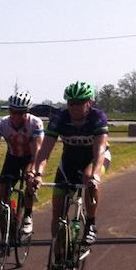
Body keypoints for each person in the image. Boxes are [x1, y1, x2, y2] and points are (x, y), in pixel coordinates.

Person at [29, 81, 110, 246]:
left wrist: (95, 175)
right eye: (71, 103)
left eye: (80, 102)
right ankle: (57, 256)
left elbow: (100, 148)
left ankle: (90, 224)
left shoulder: (97, 117)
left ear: (90, 102)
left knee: (88, 179)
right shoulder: (60, 118)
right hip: (70, 159)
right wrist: (38, 174)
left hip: (95, 157)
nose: (75, 107)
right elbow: (44, 151)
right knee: (57, 213)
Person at [0, 91, 43, 236]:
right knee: (2, 198)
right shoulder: (2, 124)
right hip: (12, 158)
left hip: (30, 159)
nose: (17, 116)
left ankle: (28, 216)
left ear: (27, 111)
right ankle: (5, 237)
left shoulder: (35, 123)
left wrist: (33, 172)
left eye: (21, 112)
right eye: (13, 111)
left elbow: (37, 151)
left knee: (29, 182)